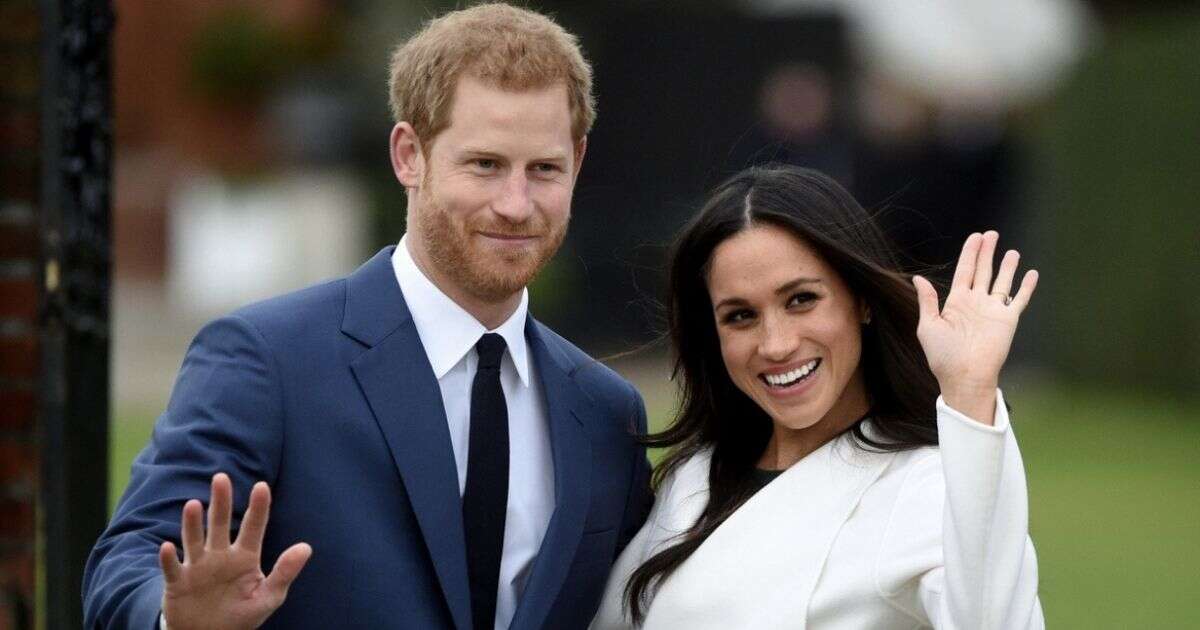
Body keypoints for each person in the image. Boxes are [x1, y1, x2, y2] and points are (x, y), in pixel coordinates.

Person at [83, 4, 652, 629]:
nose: (516, 204)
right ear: (409, 155)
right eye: (485, 164)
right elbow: (126, 567)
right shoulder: (268, 361)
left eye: (543, 169)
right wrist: (176, 619)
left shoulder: (607, 414)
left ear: (578, 161)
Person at [591, 164, 1044, 629]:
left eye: (801, 300)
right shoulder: (694, 476)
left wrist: (970, 389)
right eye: (740, 316)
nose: (776, 345)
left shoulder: (922, 486)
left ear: (860, 300)